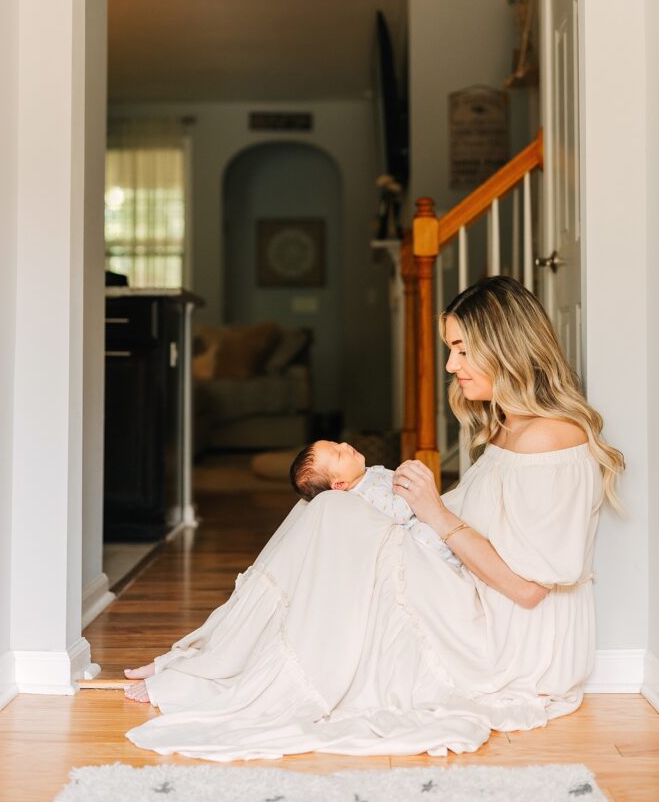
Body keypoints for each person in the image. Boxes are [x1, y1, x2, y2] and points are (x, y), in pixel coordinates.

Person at [123, 276, 624, 762]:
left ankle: (220, 659)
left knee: (335, 514)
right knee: (330, 508)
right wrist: (412, 508)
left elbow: (528, 590)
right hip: (476, 595)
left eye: (463, 350)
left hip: (513, 641)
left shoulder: (549, 437)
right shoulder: (507, 426)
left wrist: (433, 511)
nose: (451, 365)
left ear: (507, 348)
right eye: (452, 349)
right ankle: (216, 655)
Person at [289, 440, 462, 567]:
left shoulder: (366, 476)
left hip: (424, 516)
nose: (344, 445)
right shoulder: (367, 493)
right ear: (340, 485)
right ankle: (451, 561)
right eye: (339, 454)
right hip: (415, 531)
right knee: (423, 533)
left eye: (336, 444)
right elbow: (400, 513)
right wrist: (410, 485)